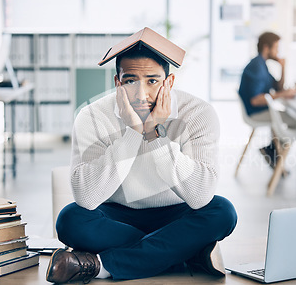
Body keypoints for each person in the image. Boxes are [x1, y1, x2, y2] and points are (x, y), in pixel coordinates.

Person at [46, 28, 237, 283]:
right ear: (118, 82)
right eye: (130, 81)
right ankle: (184, 252)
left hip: (177, 213)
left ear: (169, 82)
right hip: (117, 215)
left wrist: (155, 133)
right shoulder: (91, 116)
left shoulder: (198, 114)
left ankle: (100, 265)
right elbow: (87, 197)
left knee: (222, 212)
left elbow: (200, 195)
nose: (141, 94)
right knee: (70, 220)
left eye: (152, 81)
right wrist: (134, 132)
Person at [238, 32, 296, 168]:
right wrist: (283, 94)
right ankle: (273, 151)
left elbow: (278, 87)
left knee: (285, 118)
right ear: (267, 48)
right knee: (294, 120)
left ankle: (273, 149)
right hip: (254, 112)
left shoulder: (262, 64)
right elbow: (255, 100)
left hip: (261, 110)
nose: (278, 52)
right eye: (276, 48)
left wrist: (283, 67)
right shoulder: (257, 67)